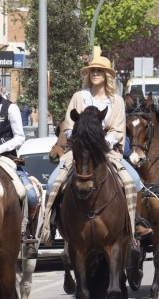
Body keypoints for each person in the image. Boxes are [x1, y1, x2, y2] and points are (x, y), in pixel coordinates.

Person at [39, 54, 148, 254]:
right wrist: (80, 136)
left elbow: (118, 130)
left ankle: (135, 224)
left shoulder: (116, 101)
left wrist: (104, 141)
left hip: (107, 152)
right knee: (53, 181)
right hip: (80, 152)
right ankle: (50, 223)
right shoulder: (78, 97)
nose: (95, 74)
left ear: (107, 75)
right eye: (93, 71)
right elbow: (69, 126)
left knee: (133, 180)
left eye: (100, 71)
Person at [0, 70, 40, 259]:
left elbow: (20, 137)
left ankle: (28, 237)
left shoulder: (10, 108)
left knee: (30, 193)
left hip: (5, 159)